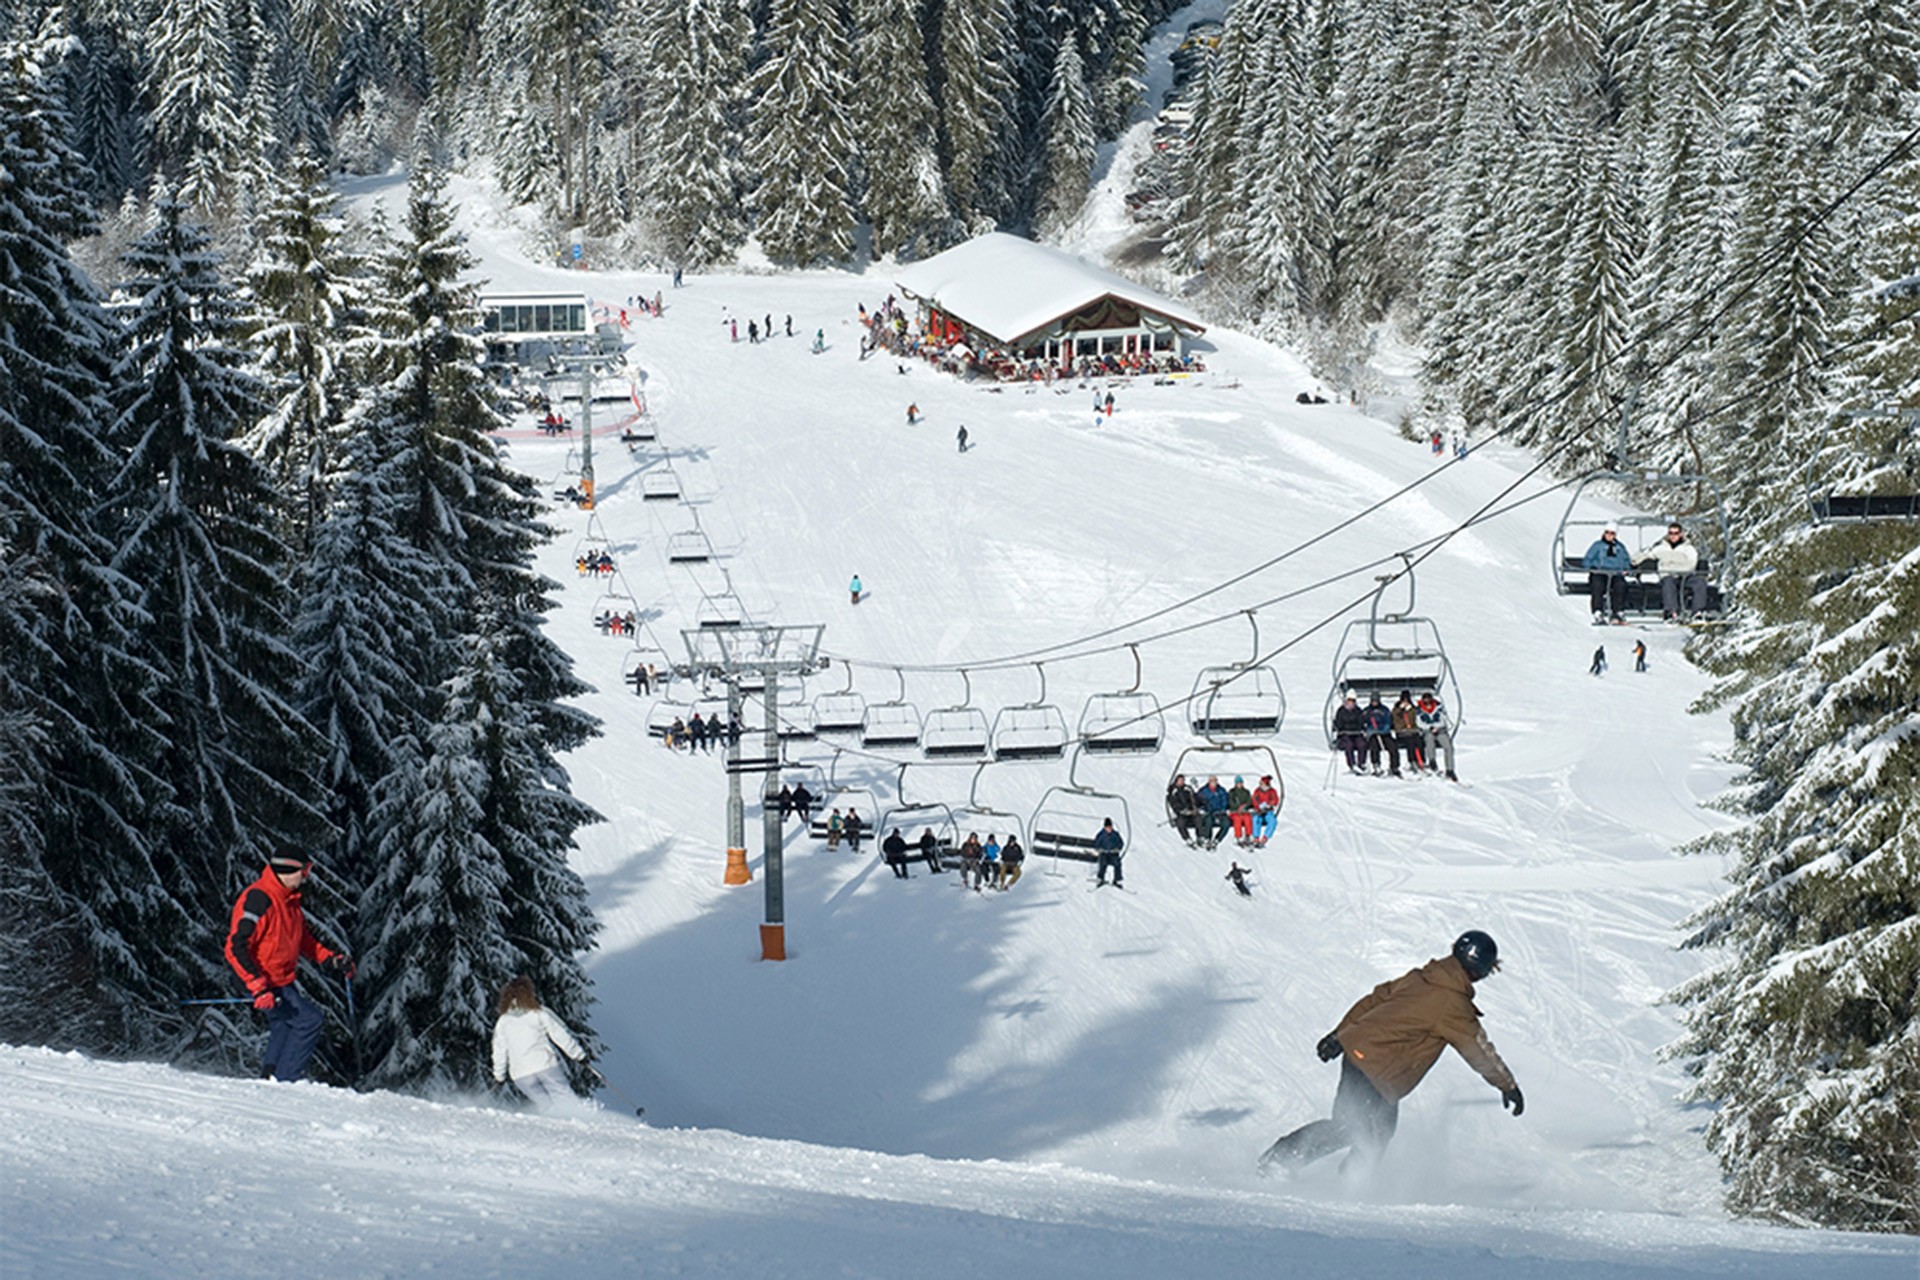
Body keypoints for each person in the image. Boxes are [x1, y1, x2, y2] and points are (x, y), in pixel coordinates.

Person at [1258, 931, 1522, 1175]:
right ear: (1478, 970)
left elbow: (1375, 1000)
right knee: (1353, 1127)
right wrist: (1507, 1085)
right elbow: (1478, 1051)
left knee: (1379, 1132)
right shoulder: (1453, 1005)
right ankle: (1281, 1160)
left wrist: (1339, 1035)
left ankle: (1351, 1184)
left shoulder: (1422, 977)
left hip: (1363, 1058)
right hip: (1376, 1068)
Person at [224, 854, 351, 1083]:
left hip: (279, 980)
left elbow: (303, 940)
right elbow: (235, 947)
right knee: (309, 1020)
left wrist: (331, 959)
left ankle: (270, 1077)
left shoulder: (289, 900)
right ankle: (286, 1081)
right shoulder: (259, 899)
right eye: (304, 871)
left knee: (283, 1024)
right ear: (288, 870)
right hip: (259, 980)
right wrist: (257, 987)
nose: (305, 878)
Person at [490, 976, 588, 1109]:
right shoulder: (539, 1014)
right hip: (544, 1065)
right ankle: (581, 1117)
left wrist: (499, 1076)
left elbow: (499, 1050)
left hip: (520, 1075)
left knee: (545, 1105)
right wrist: (578, 1055)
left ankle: (555, 1118)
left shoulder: (503, 1022)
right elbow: (560, 1035)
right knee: (565, 1098)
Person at [1642, 522, 1708, 621]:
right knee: (1668, 583)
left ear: (1680, 534)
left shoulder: (1688, 549)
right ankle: (1671, 612)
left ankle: (1698, 611)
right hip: (1668, 576)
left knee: (1699, 583)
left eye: (1676, 533)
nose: (1673, 536)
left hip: (1685, 576)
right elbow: (1647, 556)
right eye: (1671, 533)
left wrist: (1674, 568)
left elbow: (1691, 564)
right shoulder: (1661, 549)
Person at [1582, 524, 1634, 623]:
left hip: (1615, 573)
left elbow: (1626, 560)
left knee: (1620, 586)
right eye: (1607, 533)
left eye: (1612, 533)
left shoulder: (1619, 547)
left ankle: (1618, 611)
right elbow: (1588, 559)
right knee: (1598, 586)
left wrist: (1626, 569)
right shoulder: (1598, 546)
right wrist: (1591, 567)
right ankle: (1598, 611)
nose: (1609, 535)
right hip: (1600, 572)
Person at [1414, 693, 1456, 781]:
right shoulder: (1419, 710)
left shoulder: (1439, 708)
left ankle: (1450, 769)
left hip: (1440, 730)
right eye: (1425, 702)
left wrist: (1436, 727)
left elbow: (1443, 720)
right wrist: (1429, 727)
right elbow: (1419, 723)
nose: (1428, 704)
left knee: (1448, 746)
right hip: (1427, 731)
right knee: (1429, 741)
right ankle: (1432, 761)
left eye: (1429, 701)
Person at [1361, 693, 1399, 777]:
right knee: (1374, 746)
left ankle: (1394, 766)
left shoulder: (1384, 710)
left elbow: (1388, 722)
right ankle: (1376, 764)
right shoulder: (1367, 711)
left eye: (1376, 701)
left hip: (1384, 734)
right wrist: (1369, 730)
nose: (1374, 703)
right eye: (1373, 701)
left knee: (1392, 746)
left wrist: (1382, 730)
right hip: (1373, 735)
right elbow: (1363, 723)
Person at [1390, 690, 1425, 773]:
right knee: (1410, 743)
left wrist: (1411, 711)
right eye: (1404, 700)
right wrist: (1401, 710)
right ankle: (1412, 761)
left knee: (1419, 741)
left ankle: (1421, 760)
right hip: (1402, 732)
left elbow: (1414, 721)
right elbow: (1396, 721)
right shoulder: (1396, 709)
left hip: (1412, 731)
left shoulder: (1412, 709)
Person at [1332, 693, 1368, 773]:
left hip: (1356, 734)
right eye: (1349, 701)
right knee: (1349, 745)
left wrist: (1359, 727)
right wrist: (1339, 727)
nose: (1351, 703)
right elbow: (1338, 723)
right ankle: (1352, 764)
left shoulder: (1358, 711)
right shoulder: (1341, 711)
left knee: (1362, 744)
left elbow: (1361, 722)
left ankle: (1361, 763)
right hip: (1345, 734)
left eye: (1352, 701)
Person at [1197, 775, 1231, 849]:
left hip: (1220, 812)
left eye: (1215, 781)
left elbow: (1225, 800)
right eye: (1211, 781)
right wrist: (1204, 809)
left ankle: (1217, 839)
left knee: (1226, 823)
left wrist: (1223, 809)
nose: (1213, 783)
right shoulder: (1203, 791)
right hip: (1209, 812)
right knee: (1208, 821)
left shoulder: (1221, 790)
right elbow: (1199, 802)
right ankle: (1207, 839)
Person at [1166, 774, 1200, 846]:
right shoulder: (1173, 791)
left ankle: (1199, 837)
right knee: (1180, 822)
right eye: (1180, 780)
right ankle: (1187, 838)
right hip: (1181, 813)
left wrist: (1194, 808)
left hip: (1190, 811)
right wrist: (1181, 810)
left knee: (1199, 819)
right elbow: (1174, 803)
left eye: (1182, 780)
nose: (1181, 782)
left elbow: (1194, 799)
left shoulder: (1187, 789)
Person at [1092, 818, 1125, 887]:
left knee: (1117, 864)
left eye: (1110, 827)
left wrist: (1117, 849)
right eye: (1107, 827)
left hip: (1113, 854)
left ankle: (1117, 880)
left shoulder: (1115, 834)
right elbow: (1096, 844)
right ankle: (1100, 879)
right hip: (1104, 854)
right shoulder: (1101, 835)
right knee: (1103, 864)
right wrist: (1100, 849)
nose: (1109, 829)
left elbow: (1121, 843)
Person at [1250, 775, 1280, 847]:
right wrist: (1259, 806)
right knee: (1256, 819)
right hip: (1259, 811)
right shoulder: (1257, 791)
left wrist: (1268, 804)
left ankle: (1265, 837)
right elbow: (1254, 800)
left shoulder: (1272, 791)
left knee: (1272, 821)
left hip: (1268, 811)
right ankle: (1256, 837)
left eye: (1262, 783)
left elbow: (1275, 800)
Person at [1227, 776, 1254, 846]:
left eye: (1241, 783)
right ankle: (1238, 836)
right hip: (1235, 811)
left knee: (1247, 818)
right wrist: (1237, 807)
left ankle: (1248, 835)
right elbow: (1230, 802)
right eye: (1238, 783)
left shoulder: (1246, 792)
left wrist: (1245, 806)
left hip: (1244, 811)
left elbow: (1249, 801)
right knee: (1237, 820)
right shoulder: (1232, 792)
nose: (1240, 784)